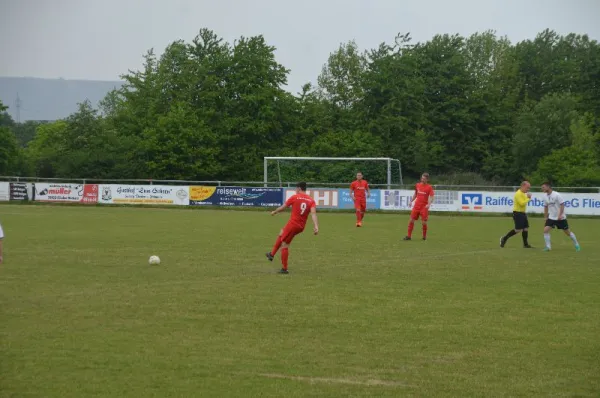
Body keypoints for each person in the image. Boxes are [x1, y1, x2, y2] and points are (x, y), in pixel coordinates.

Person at [266, 182, 319, 274]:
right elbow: (313, 214)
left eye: (296, 188)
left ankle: (284, 269)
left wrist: (275, 212)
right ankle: (271, 254)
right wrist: (316, 226)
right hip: (301, 226)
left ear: (299, 188)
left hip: (293, 224)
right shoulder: (311, 200)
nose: (295, 190)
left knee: (285, 244)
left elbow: (283, 207)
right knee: (282, 232)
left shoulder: (295, 197)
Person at [541, 182, 581, 252]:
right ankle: (548, 247)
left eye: (543, 187)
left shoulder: (556, 195)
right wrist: (545, 217)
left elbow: (562, 205)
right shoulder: (544, 196)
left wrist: (560, 215)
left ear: (548, 187)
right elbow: (545, 207)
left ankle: (576, 244)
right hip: (551, 217)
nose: (542, 189)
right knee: (545, 231)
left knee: (567, 233)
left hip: (560, 218)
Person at [500, 181, 533, 248]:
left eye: (529, 188)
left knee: (525, 228)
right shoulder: (518, 193)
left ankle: (525, 244)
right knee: (518, 230)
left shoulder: (523, 194)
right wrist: (528, 198)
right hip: (517, 213)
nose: (528, 189)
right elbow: (522, 203)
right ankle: (504, 238)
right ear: (523, 186)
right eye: (527, 188)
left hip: (523, 213)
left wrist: (527, 198)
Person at [403, 173, 434, 241]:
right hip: (416, 206)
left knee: (424, 222)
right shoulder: (417, 185)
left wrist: (428, 204)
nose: (422, 179)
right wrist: (411, 201)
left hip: (423, 207)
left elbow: (431, 196)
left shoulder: (429, 187)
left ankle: (424, 236)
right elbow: (416, 194)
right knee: (411, 220)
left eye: (424, 179)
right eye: (422, 178)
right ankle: (408, 236)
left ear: (427, 179)